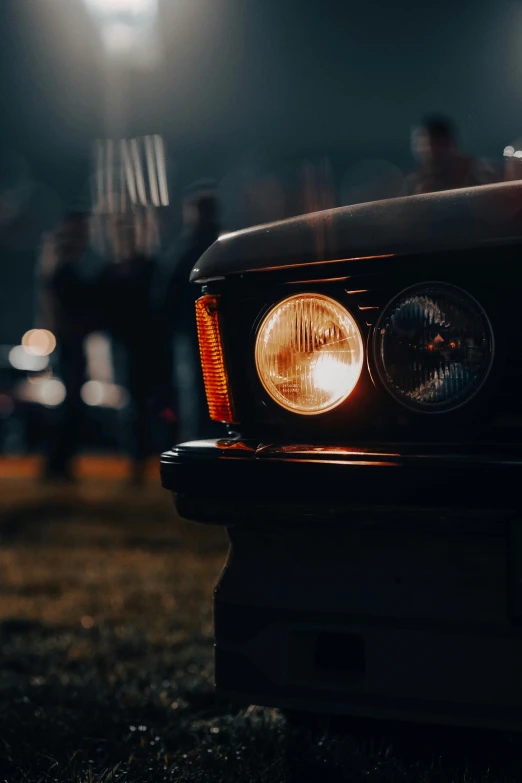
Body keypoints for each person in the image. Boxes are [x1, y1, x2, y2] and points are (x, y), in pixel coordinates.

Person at [160, 181, 222, 442]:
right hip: (220, 332)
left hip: (192, 334)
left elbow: (165, 295)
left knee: (197, 395)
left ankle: (198, 444)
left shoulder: (184, 250)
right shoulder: (223, 243)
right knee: (220, 393)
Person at [39, 212, 93, 480]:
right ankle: (57, 463)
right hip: (70, 342)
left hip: (67, 341)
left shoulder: (59, 264)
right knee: (70, 405)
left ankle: (58, 463)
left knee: (69, 404)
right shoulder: (66, 268)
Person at [407, 115, 497, 195]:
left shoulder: (476, 171)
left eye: (428, 143)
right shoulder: (417, 180)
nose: (423, 149)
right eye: (419, 144)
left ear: (448, 143)